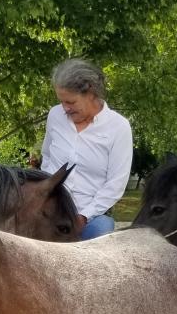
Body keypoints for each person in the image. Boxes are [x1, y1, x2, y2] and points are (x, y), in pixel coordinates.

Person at [41, 58, 133, 240]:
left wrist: (83, 216)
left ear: (90, 92)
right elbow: (47, 157)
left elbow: (116, 183)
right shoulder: (55, 115)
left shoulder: (118, 127)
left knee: (100, 233)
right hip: (49, 208)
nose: (65, 108)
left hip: (91, 216)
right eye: (61, 102)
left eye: (71, 102)